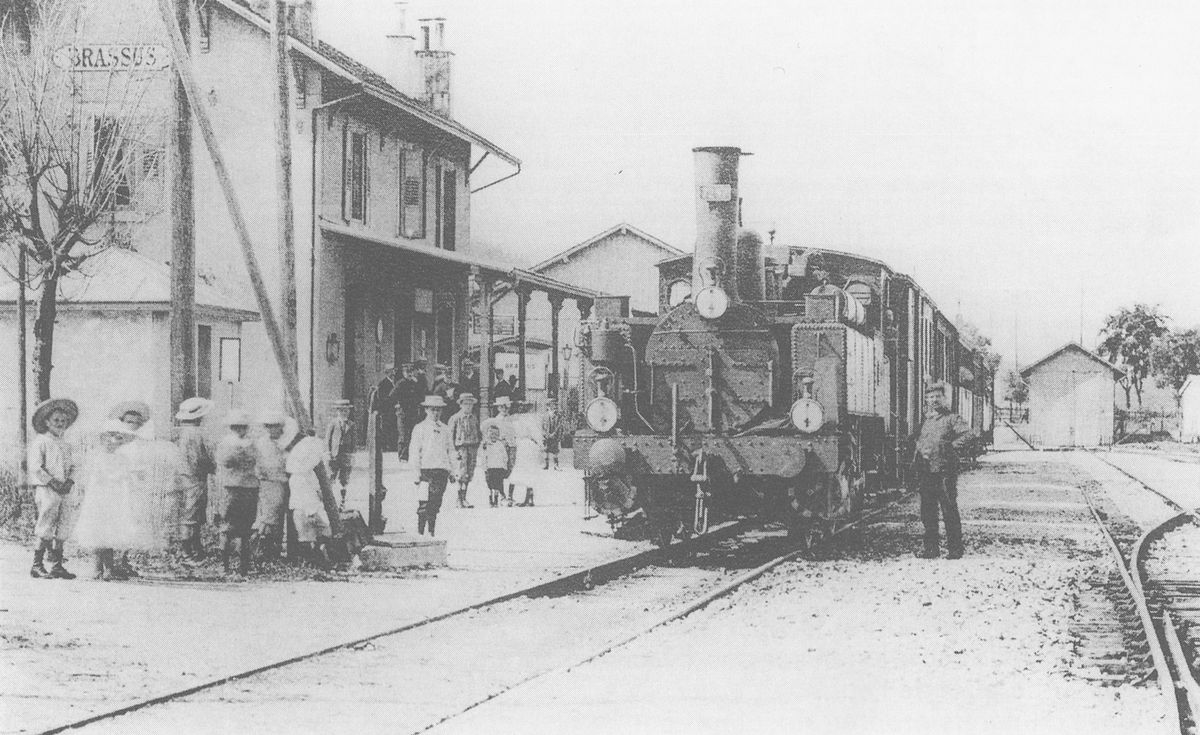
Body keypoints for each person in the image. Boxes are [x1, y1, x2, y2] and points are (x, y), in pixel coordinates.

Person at [75, 420, 151, 580]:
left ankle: (109, 568)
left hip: (114, 500)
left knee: (109, 533)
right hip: (98, 499)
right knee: (97, 532)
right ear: (101, 439)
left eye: (117, 438)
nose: (111, 441)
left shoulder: (122, 458)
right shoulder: (97, 458)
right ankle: (96, 568)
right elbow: (95, 478)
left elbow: (128, 478)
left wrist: (132, 480)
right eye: (107, 438)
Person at [911, 381, 977, 560]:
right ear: (926, 400)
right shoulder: (926, 420)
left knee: (949, 509)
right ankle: (931, 549)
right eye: (930, 397)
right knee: (928, 512)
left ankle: (955, 550)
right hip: (926, 472)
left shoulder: (952, 418)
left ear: (944, 398)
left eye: (937, 397)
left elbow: (969, 434)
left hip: (945, 471)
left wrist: (952, 447)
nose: (933, 400)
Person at [28, 398, 80, 580]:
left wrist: (69, 482)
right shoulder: (41, 441)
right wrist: (52, 482)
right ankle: (37, 564)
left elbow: (75, 466)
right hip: (47, 489)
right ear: (47, 422)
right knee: (46, 523)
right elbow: (35, 467)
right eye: (56, 420)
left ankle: (57, 565)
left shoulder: (66, 444)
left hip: (64, 490)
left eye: (63, 421)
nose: (59, 424)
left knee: (63, 524)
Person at [284, 421, 333, 569]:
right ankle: (316, 553)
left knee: (302, 524)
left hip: (299, 492)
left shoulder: (298, 454)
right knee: (315, 523)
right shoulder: (311, 449)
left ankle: (309, 555)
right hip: (307, 495)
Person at [215, 410, 259, 575]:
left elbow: (221, 463)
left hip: (231, 488)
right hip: (248, 488)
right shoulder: (252, 444)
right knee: (244, 529)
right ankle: (243, 568)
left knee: (228, 527)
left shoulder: (226, 444)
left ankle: (225, 567)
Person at [174, 397, 215, 561]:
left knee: (190, 513)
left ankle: (194, 547)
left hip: (183, 477)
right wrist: (212, 467)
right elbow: (199, 459)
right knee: (192, 514)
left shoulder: (182, 433)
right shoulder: (197, 434)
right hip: (195, 478)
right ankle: (188, 550)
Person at [410, 395, 454, 535]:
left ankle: (431, 531)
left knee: (435, 502)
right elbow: (415, 452)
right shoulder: (420, 428)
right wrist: (416, 473)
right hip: (425, 471)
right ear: (426, 410)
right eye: (433, 410)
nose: (436, 413)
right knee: (424, 501)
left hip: (441, 471)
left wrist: (452, 471)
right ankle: (420, 532)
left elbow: (450, 451)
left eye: (438, 410)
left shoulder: (445, 429)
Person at [253, 412, 289, 562]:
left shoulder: (284, 443)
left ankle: (275, 547)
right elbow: (257, 464)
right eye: (268, 427)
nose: (271, 429)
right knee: (269, 516)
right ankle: (264, 549)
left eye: (275, 427)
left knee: (278, 515)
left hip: (281, 481)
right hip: (268, 482)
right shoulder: (261, 443)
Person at [481, 396, 519, 506]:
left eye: (506, 407)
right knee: (499, 471)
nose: (504, 409)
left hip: (511, 446)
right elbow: (492, 435)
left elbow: (515, 433)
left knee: (512, 470)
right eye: (502, 407)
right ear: (498, 408)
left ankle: (510, 495)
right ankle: (502, 495)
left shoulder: (512, 419)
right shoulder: (495, 420)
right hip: (500, 448)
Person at [448, 393, 481, 508]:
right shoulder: (455, 418)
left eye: (470, 404)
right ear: (461, 405)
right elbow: (450, 435)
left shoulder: (474, 418)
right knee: (461, 473)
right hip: (460, 448)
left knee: (469, 473)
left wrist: (478, 446)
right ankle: (458, 498)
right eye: (465, 404)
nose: (468, 406)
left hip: (472, 447)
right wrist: (453, 450)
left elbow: (478, 432)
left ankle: (464, 497)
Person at [325, 399, 356, 506]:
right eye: (342, 411)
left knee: (344, 478)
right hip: (334, 455)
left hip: (346, 455)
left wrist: (352, 455)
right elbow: (328, 439)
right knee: (331, 475)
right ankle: (328, 499)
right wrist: (328, 453)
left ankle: (343, 499)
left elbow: (354, 441)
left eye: (346, 411)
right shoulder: (333, 423)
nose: (344, 413)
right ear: (337, 411)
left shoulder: (352, 425)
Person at [368, 364, 398, 460]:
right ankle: (385, 447)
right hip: (386, 410)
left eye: (394, 371)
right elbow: (381, 398)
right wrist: (391, 403)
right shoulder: (383, 383)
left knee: (392, 427)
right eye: (391, 371)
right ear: (387, 373)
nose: (393, 373)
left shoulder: (393, 382)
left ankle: (391, 445)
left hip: (392, 410)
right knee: (386, 428)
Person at [481, 423, 513, 508]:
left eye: (495, 434)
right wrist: (484, 467)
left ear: (498, 435)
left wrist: (505, 466)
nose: (493, 436)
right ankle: (490, 500)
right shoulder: (486, 445)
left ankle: (496, 499)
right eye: (491, 434)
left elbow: (504, 456)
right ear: (487, 435)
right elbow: (484, 457)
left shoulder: (500, 444)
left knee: (498, 484)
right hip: (490, 468)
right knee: (490, 485)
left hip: (499, 468)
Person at [393, 364, 420, 462]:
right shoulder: (400, 383)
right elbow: (392, 395)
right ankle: (403, 456)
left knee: (413, 434)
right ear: (404, 373)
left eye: (411, 372)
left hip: (412, 412)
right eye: (407, 372)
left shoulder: (415, 383)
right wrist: (397, 404)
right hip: (403, 412)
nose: (409, 374)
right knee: (403, 435)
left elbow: (421, 395)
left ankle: (411, 455)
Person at [541, 402, 564, 471]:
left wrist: (555, 434)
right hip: (547, 436)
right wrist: (546, 434)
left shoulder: (558, 416)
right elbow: (543, 426)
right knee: (546, 450)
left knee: (555, 451)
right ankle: (546, 465)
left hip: (555, 436)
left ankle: (556, 466)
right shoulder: (545, 416)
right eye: (553, 408)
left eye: (555, 408)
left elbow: (559, 426)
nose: (554, 409)